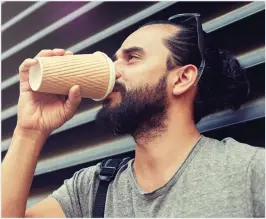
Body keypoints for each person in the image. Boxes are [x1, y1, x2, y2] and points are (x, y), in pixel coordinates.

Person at [2, 14, 264, 218]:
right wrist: (29, 130)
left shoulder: (249, 171)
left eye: (132, 58)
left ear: (183, 78)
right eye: (116, 60)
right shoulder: (92, 189)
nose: (113, 71)